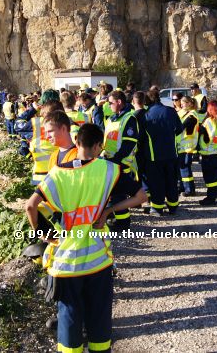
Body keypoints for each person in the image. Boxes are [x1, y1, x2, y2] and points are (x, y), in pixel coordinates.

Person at [25, 123, 147, 353]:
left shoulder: (58, 173)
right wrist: (109, 211)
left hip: (67, 261)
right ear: (99, 145)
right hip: (98, 259)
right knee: (99, 315)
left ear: (77, 142)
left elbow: (30, 206)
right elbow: (141, 197)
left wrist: (44, 235)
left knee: (69, 315)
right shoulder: (110, 170)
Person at [102, 90, 139, 230]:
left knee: (119, 195)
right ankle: (115, 219)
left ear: (119, 102)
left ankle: (123, 224)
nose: (109, 105)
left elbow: (129, 144)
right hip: (110, 161)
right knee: (112, 194)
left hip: (121, 163)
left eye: (110, 103)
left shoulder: (129, 118)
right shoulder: (113, 118)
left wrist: (117, 159)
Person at [144, 89, 183, 216]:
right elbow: (179, 129)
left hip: (154, 154)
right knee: (171, 180)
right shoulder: (171, 111)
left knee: (157, 182)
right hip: (171, 153)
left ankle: (157, 208)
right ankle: (173, 207)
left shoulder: (147, 114)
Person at [198, 100, 217, 205]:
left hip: (208, 153)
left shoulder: (209, 122)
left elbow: (206, 139)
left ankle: (211, 197)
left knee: (209, 177)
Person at [176, 96, 199, 196]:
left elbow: (181, 127)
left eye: (184, 102)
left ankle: (189, 189)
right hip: (180, 145)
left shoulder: (192, 115)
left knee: (185, 168)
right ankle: (182, 187)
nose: (181, 104)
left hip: (187, 145)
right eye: (181, 102)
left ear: (190, 103)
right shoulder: (182, 112)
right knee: (181, 168)